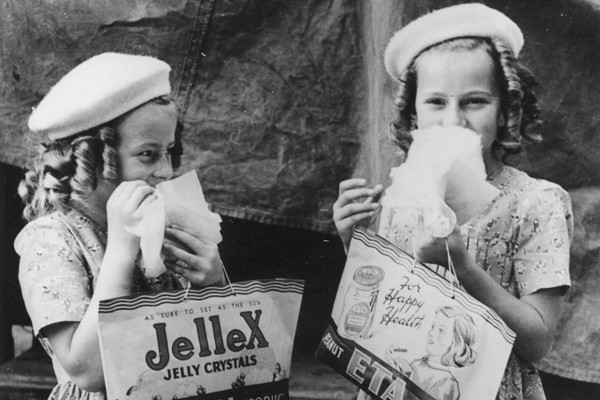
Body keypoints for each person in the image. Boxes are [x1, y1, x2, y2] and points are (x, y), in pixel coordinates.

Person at [333, 4, 572, 400]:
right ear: (413, 117)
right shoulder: (398, 198)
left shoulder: (537, 203)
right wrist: (355, 247)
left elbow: (538, 342)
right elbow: (376, 321)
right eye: (436, 102)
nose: (454, 121)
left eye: (475, 101)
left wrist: (461, 266)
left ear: (507, 111)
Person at [15, 52, 225, 399]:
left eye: (169, 151)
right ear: (90, 160)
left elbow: (219, 347)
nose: (166, 171)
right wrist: (122, 249)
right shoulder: (51, 240)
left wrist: (214, 283)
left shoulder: (162, 224)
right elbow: (89, 372)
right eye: (147, 154)